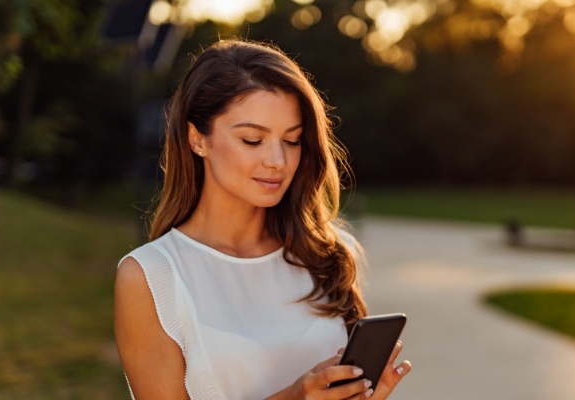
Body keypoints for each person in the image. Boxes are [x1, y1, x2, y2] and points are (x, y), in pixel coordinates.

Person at [113, 39, 411, 400]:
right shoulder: (151, 277)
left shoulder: (325, 255)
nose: (277, 161)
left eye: (292, 140)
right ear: (197, 139)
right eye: (253, 140)